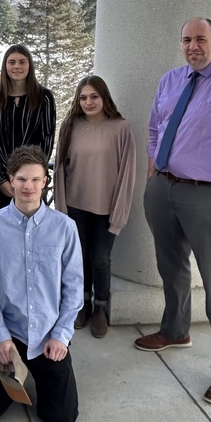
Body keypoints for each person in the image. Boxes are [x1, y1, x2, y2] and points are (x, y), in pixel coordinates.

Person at [136, 17, 211, 407]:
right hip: (163, 188)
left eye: (201, 39)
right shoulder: (170, 80)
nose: (193, 46)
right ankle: (175, 331)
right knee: (171, 266)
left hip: (204, 195)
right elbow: (155, 129)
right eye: (187, 39)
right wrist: (154, 173)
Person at [0, 146, 82, 422]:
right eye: (21, 179)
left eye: (35, 179)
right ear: (11, 181)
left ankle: (39, 374)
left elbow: (73, 288)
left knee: (61, 418)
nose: (28, 186)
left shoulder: (65, 227)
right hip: (10, 332)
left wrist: (61, 335)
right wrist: (0, 337)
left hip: (48, 335)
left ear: (45, 181)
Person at [54, 75, 136, 337]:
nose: (88, 102)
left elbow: (127, 173)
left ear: (104, 98)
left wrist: (119, 214)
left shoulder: (120, 128)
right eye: (83, 98)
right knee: (79, 258)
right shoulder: (70, 126)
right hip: (75, 206)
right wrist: (61, 209)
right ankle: (83, 303)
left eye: (94, 97)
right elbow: (59, 169)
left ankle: (100, 305)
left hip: (106, 209)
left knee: (100, 258)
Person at [0, 44, 56, 214]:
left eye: (22, 62)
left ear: (30, 65)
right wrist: (2, 179)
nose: (17, 66)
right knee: (1, 228)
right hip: (0, 183)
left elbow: (46, 140)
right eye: (12, 62)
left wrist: (28, 177)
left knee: (33, 227)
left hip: (31, 183)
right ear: (5, 66)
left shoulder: (44, 98)